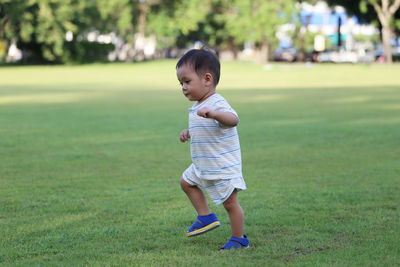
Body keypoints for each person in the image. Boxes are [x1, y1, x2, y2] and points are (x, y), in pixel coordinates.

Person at [176, 48, 249, 250]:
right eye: (180, 83)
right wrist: (189, 132)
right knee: (186, 182)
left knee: (230, 204)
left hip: (221, 167)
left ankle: (239, 239)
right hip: (203, 165)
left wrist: (216, 114)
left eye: (187, 82)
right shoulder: (198, 105)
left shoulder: (217, 103)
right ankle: (205, 216)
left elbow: (234, 120)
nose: (183, 87)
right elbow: (203, 127)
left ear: (207, 79)